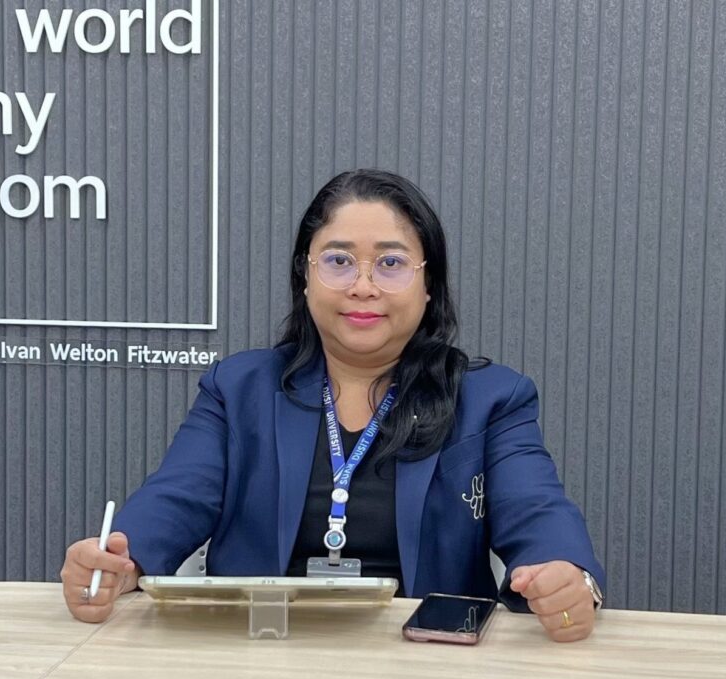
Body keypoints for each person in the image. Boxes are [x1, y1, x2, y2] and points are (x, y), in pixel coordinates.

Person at [60, 169, 605, 641]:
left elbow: (538, 512)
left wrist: (569, 579)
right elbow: (175, 498)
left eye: (390, 263)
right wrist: (119, 563)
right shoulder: (240, 388)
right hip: (257, 655)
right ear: (305, 277)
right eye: (339, 261)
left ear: (428, 284)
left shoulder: (491, 398)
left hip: (428, 664)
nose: (363, 286)